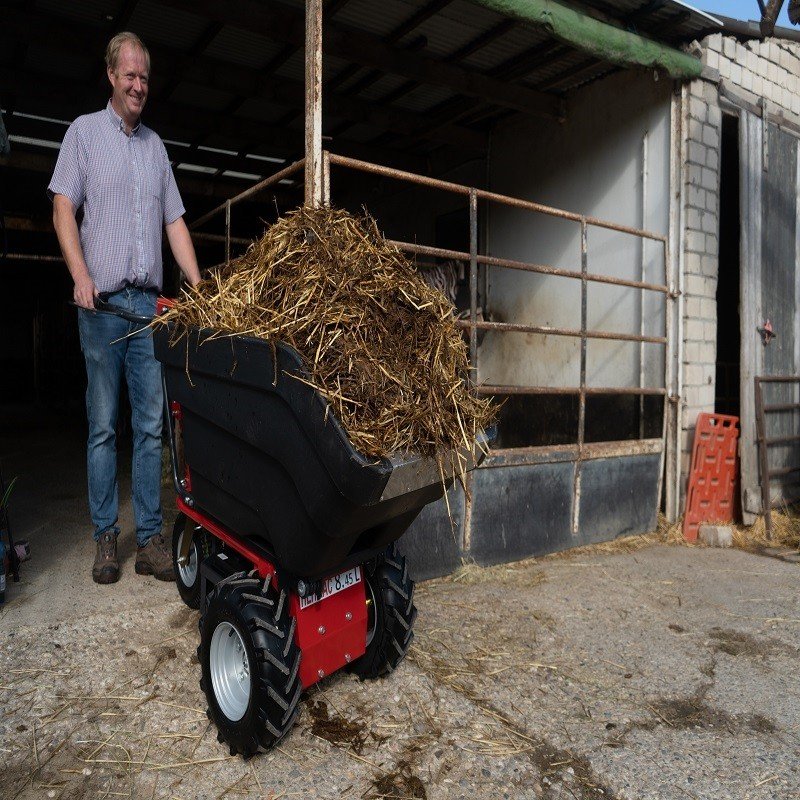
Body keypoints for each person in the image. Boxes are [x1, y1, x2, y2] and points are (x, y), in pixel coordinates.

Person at [48, 32, 201, 585]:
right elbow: (64, 207)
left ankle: (153, 540)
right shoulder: (83, 134)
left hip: (148, 309)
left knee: (151, 424)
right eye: (129, 75)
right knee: (102, 427)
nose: (138, 85)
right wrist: (80, 276)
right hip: (103, 305)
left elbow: (174, 222)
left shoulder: (156, 148)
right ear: (111, 75)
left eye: (144, 78)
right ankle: (106, 537)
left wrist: (199, 283)